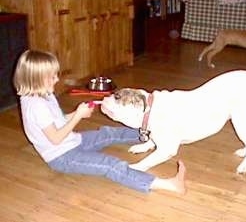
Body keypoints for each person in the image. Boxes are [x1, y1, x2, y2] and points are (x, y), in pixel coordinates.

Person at [13, 50, 186, 194]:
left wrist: (75, 113)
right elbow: (55, 138)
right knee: (110, 165)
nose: (56, 80)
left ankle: (149, 132)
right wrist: (78, 116)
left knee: (107, 133)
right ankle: (168, 184)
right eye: (51, 77)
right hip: (62, 156)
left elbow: (56, 121)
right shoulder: (36, 106)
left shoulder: (43, 93)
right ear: (35, 79)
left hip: (72, 141)